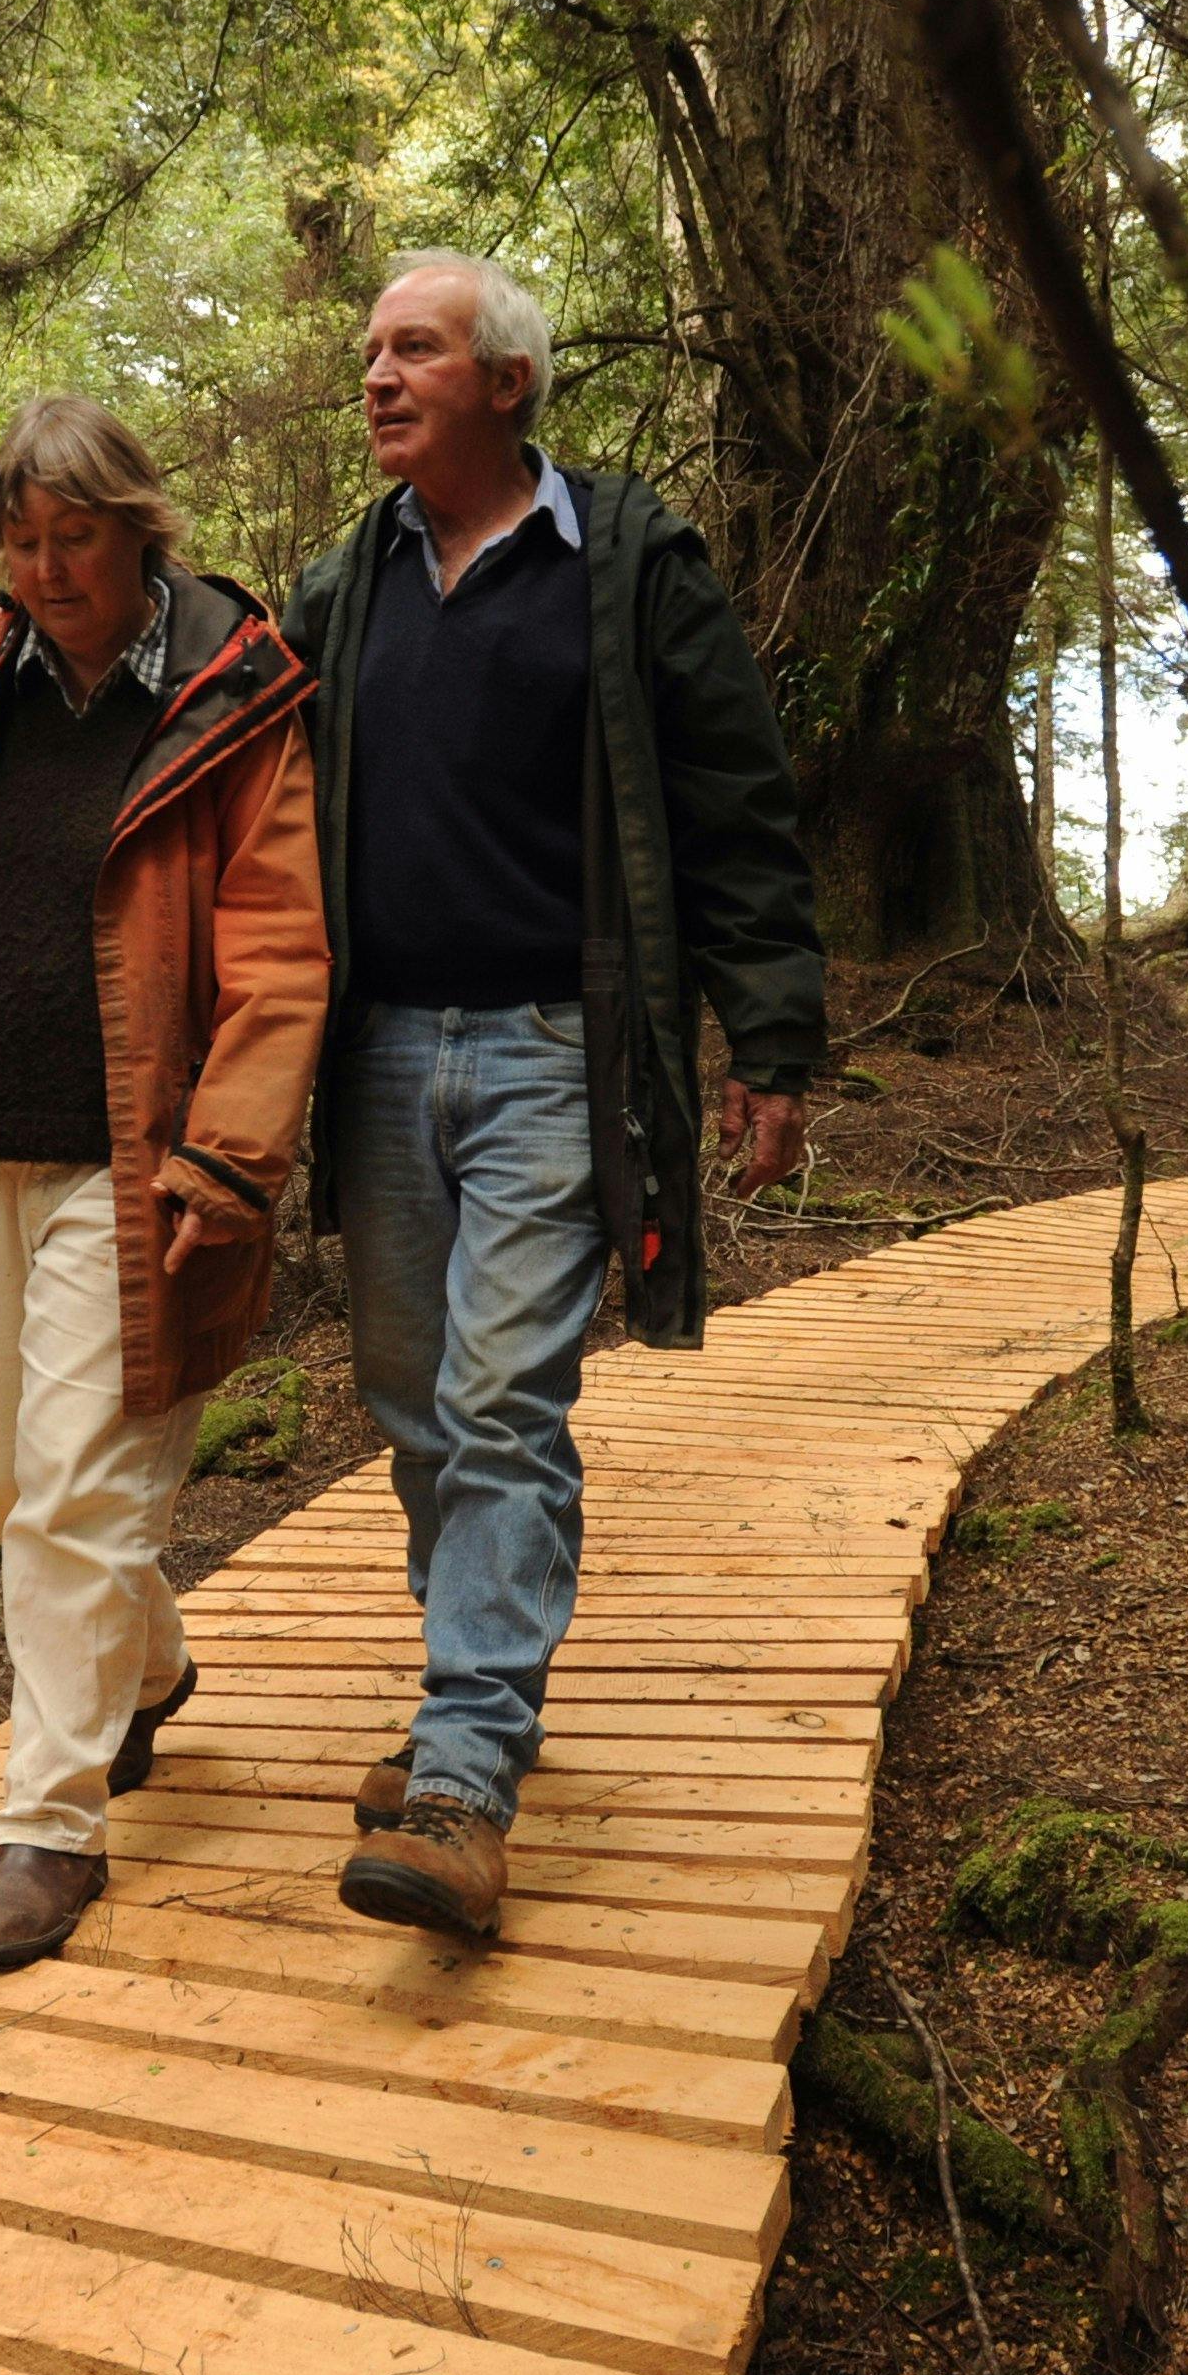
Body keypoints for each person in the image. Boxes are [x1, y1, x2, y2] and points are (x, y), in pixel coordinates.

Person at [290, 250, 827, 1941]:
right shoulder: (345, 585)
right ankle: (476, 1684)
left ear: (507, 383)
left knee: (504, 1391)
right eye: (372, 352)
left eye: (416, 351)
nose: (377, 376)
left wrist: (772, 1035)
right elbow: (216, 710)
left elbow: (734, 802)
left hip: (548, 1051)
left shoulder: (631, 566)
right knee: (413, 1403)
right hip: (376, 1054)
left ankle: (463, 1773)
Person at [0, 397, 329, 1973]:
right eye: (19, 544)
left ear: (137, 527)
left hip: (140, 1160)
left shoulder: (237, 699)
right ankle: (148, 1668)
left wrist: (231, 1157)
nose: (45, 569)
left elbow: (283, 951)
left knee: (78, 1498)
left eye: (74, 537)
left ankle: (49, 1827)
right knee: (20, 1492)